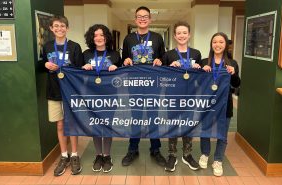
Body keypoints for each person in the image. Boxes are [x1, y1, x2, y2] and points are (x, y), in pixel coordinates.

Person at [121, 6, 166, 167]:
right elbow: (123, 60)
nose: (142, 19)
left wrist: (160, 61)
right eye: (139, 16)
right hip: (135, 83)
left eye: (145, 16)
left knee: (154, 116)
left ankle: (155, 149)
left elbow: (164, 58)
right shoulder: (128, 38)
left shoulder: (157, 37)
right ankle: (133, 149)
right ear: (135, 19)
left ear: (150, 19)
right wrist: (125, 61)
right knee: (136, 117)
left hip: (153, 83)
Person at [43, 15, 84, 176]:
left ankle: (74, 155)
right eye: (56, 26)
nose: (59, 29)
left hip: (71, 91)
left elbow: (80, 70)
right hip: (53, 91)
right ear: (51, 29)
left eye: (62, 26)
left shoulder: (75, 47)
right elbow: (42, 66)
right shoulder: (47, 47)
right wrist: (45, 64)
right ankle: (64, 155)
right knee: (60, 125)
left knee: (71, 124)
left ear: (67, 28)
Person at [199, 32, 240, 176]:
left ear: (226, 45)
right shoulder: (205, 62)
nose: (217, 45)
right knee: (205, 131)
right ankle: (205, 154)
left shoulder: (232, 63)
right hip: (207, 104)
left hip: (225, 105)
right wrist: (201, 73)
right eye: (215, 42)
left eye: (221, 42)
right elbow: (197, 84)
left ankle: (218, 160)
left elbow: (236, 84)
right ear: (211, 44)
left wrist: (234, 74)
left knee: (222, 134)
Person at [162, 21, 202, 172]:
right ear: (174, 36)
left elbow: (200, 80)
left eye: (184, 32)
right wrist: (170, 69)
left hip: (190, 95)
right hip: (172, 96)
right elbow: (163, 79)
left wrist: (199, 69)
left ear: (189, 35)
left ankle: (187, 154)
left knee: (188, 126)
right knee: (172, 125)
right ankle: (172, 155)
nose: (182, 35)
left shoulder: (196, 54)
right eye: (179, 33)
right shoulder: (168, 55)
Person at [82, 24, 121, 173]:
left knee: (107, 125)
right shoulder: (86, 54)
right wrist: (83, 67)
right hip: (91, 94)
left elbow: (122, 75)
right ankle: (98, 155)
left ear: (106, 37)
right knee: (95, 125)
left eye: (101, 35)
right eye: (95, 35)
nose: (98, 38)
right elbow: (77, 74)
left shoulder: (115, 55)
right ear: (92, 38)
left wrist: (116, 69)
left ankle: (107, 155)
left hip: (110, 95)